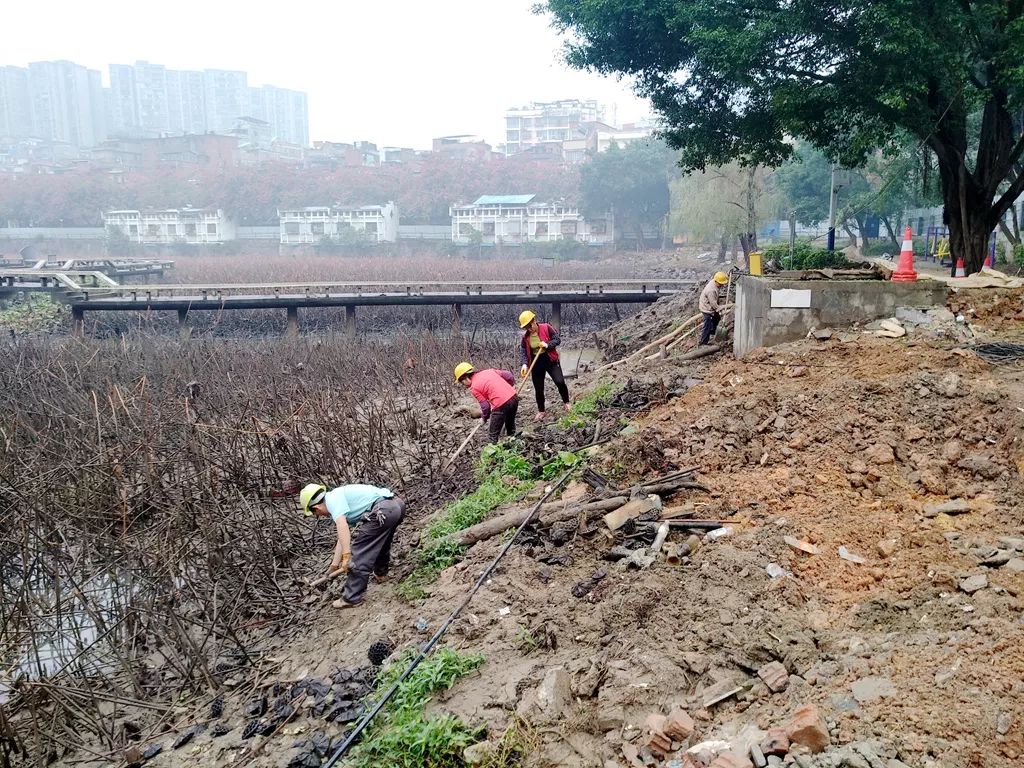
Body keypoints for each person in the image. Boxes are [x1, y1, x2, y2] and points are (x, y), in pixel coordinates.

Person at [299, 482, 405, 609]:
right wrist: (334, 564)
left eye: (316, 514)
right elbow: (342, 537)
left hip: (383, 511)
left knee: (359, 554)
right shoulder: (337, 497)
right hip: (395, 505)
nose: (320, 516)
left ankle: (351, 597)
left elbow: (342, 526)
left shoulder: (332, 501)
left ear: (317, 508)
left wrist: (347, 556)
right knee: (381, 542)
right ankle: (381, 573)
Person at [518, 310, 570, 421]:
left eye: (530, 325)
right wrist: (524, 364)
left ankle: (566, 402)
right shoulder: (525, 337)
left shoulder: (546, 327)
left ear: (534, 321)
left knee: (560, 382)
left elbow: (557, 339)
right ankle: (541, 411)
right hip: (536, 363)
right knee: (539, 389)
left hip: (550, 360)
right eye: (526, 327)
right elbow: (523, 350)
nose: (529, 329)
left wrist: (547, 345)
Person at [454, 362, 518, 443]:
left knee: (492, 435)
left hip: (501, 405)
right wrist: (511, 387)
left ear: (465, 378)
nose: (464, 385)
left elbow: (485, 406)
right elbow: (509, 375)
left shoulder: (474, 387)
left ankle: (493, 453)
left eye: (462, 382)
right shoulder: (489, 371)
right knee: (510, 425)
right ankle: (513, 443)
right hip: (514, 398)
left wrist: (484, 418)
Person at [698, 272, 729, 346]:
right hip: (707, 308)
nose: (722, 285)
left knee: (716, 318)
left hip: (709, 304)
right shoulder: (711, 290)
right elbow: (714, 304)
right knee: (707, 325)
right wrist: (721, 310)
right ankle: (703, 342)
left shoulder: (715, 281)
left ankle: (713, 332)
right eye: (721, 283)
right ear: (716, 281)